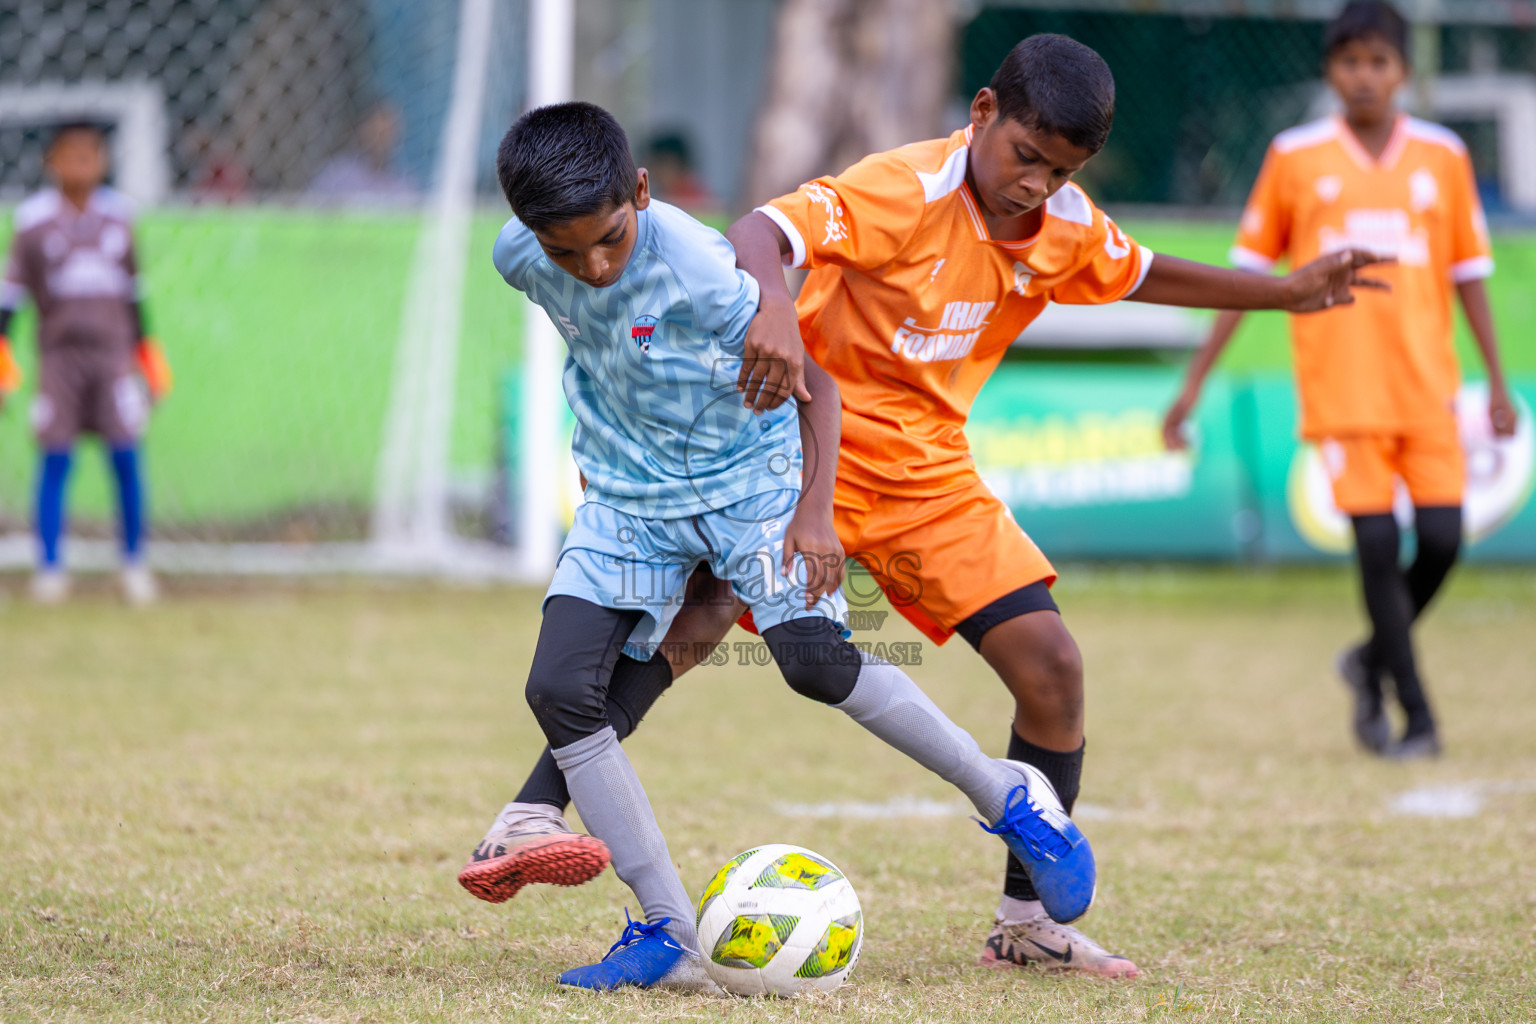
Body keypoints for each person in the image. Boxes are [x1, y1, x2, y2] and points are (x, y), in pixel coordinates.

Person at [463, 36, 1386, 980]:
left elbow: (1145, 271)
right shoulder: (903, 187)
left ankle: (1028, 924)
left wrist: (1282, 294)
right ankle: (541, 818)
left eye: (1062, 169)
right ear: (982, 112)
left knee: (1052, 666)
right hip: (788, 454)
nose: (1036, 182)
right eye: (1026, 156)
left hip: (924, 474)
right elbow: (765, 233)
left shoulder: (1065, 224)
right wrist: (773, 309)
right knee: (671, 643)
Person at [479, 100, 1101, 991]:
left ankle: (1008, 796)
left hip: (750, 484)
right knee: (556, 688)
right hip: (627, 499)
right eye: (565, 251)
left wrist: (814, 515)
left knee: (814, 663)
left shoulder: (698, 269)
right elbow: (602, 347)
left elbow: (819, 388)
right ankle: (669, 932)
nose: (594, 266)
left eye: (611, 239)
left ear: (642, 194)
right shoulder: (518, 257)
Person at [1162, 1, 1515, 761]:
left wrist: (1494, 380)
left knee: (1445, 540)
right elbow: (1249, 278)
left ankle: (1366, 661)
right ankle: (1416, 715)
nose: (1365, 77)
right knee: (1379, 544)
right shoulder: (1296, 156)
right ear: (1330, 70)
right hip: (1343, 389)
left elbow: (1470, 273)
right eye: (1350, 62)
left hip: (1427, 388)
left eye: (1379, 62)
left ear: (1403, 72)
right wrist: (1192, 384)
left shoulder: (1443, 156)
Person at [0, 123, 173, 605]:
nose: (80, 164)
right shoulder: (32, 222)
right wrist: (2, 359)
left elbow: (135, 296)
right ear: (50, 163)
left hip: (113, 356)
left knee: (125, 454)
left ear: (102, 162)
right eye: (69, 155)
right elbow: (10, 299)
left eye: (89, 155)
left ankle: (133, 563)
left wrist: (148, 356)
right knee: (56, 458)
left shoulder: (120, 218)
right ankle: (51, 568)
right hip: (59, 359)